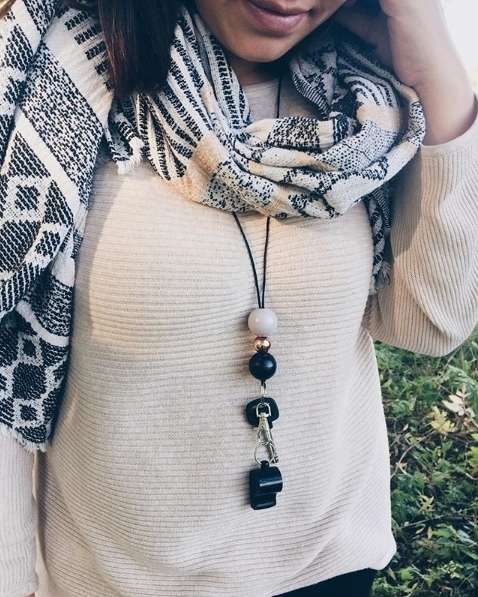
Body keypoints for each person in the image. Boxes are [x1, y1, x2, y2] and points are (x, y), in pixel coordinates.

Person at [0, 0, 477, 596]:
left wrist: (438, 70)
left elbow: (431, 322)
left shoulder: (364, 106)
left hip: (329, 571)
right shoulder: (53, 83)